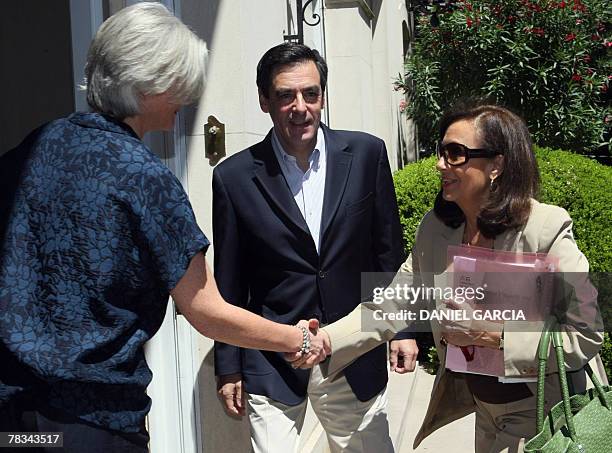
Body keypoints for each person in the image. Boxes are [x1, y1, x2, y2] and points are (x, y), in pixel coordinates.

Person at [0, 4, 327, 452]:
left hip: (16, 424)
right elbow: (205, 309)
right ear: (148, 82)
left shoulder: (32, 149)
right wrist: (298, 338)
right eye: (180, 82)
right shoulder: (144, 178)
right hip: (95, 423)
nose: (187, 96)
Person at [311, 102, 607, 452]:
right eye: (441, 152)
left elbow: (587, 331)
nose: (440, 164)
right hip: (483, 410)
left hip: (543, 413)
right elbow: (392, 305)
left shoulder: (545, 229)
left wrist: (492, 335)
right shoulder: (436, 231)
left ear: (496, 164)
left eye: (455, 154)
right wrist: (326, 340)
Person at [212, 42, 417, 453]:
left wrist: (403, 329)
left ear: (323, 95)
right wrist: (228, 366)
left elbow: (387, 251)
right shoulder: (233, 178)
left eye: (311, 93)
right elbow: (229, 281)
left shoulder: (366, 154)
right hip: (273, 355)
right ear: (264, 100)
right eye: (285, 95)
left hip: (353, 348)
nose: (300, 106)